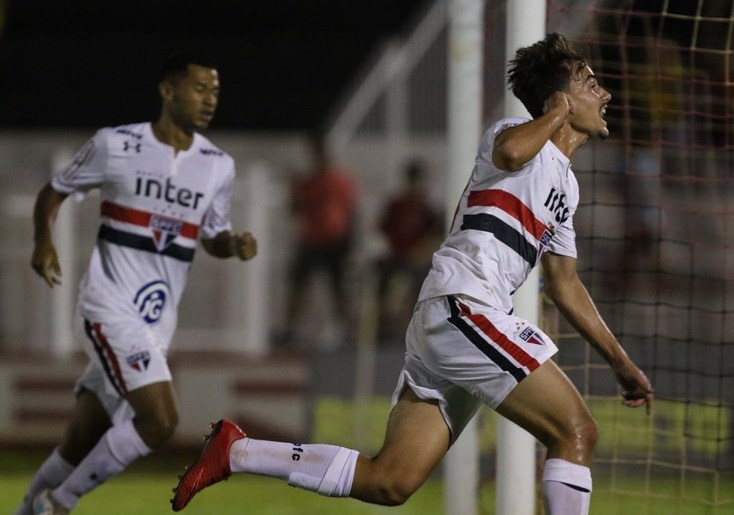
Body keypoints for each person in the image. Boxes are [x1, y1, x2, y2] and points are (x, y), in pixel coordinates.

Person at [170, 33, 653, 515]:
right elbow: (510, 154)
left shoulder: (566, 187)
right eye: (590, 83)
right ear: (561, 99)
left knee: (391, 480)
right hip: (465, 306)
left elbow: (566, 285)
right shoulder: (510, 135)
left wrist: (619, 361)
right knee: (576, 430)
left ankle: (237, 451)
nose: (605, 94)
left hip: (454, 322)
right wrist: (555, 113)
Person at [18, 49, 257, 515]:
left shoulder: (217, 165)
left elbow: (212, 236)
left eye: (215, 92)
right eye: (199, 89)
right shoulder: (116, 144)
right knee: (161, 419)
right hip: (108, 306)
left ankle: (28, 508)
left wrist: (234, 244)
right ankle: (59, 504)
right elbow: (56, 189)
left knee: (79, 440)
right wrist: (42, 239)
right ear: (168, 91)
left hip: (155, 323)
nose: (210, 100)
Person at [282, 132, 358, 347]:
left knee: (339, 288)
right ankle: (290, 328)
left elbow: (352, 211)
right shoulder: (308, 182)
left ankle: (346, 330)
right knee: (298, 284)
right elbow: (295, 210)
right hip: (312, 240)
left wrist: (351, 243)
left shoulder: (340, 180)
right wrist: (293, 189)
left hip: (335, 241)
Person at [375, 159, 442, 342]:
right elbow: (383, 229)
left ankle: (417, 326)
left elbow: (434, 237)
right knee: (380, 279)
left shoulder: (428, 207)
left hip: (418, 260)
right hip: (397, 257)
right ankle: (383, 326)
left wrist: (420, 253)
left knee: (421, 284)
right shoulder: (396, 205)